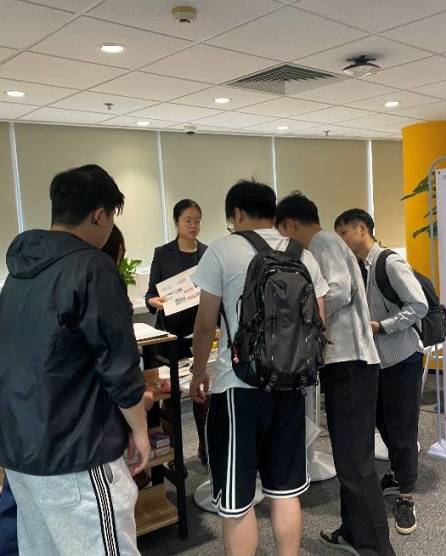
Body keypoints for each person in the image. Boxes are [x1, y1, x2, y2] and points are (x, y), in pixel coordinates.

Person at [0, 164, 149, 556]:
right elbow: (118, 364)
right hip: (75, 446)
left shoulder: (20, 271)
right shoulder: (92, 266)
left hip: (19, 443)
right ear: (98, 214)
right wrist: (141, 432)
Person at [189, 180, 328, 556]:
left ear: (236, 213)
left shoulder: (222, 249)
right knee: (285, 492)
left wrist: (198, 372)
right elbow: (320, 322)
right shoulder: (302, 254)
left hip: (238, 387)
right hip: (291, 385)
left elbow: (205, 324)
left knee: (237, 501)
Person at [275, 193, 395, 556]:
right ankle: (353, 531)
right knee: (348, 457)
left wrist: (303, 317)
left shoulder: (322, 242)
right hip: (346, 363)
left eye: (282, 232)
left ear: (290, 224)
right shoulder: (326, 243)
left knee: (356, 461)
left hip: (350, 363)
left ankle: (376, 547)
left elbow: (338, 291)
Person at [334, 209, 428, 536]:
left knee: (402, 428)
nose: (341, 240)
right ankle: (399, 474)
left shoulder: (389, 263)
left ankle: (406, 496)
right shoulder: (357, 267)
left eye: (344, 232)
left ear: (362, 229)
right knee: (382, 423)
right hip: (374, 361)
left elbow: (419, 306)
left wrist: (382, 326)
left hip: (401, 357)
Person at [145, 199, 209, 463]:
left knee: (202, 393)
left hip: (200, 334)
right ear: (176, 222)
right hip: (170, 336)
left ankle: (205, 448)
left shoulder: (206, 253)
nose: (193, 225)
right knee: (170, 396)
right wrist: (154, 302)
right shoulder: (163, 253)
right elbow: (150, 294)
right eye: (188, 220)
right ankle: (173, 455)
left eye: (197, 221)